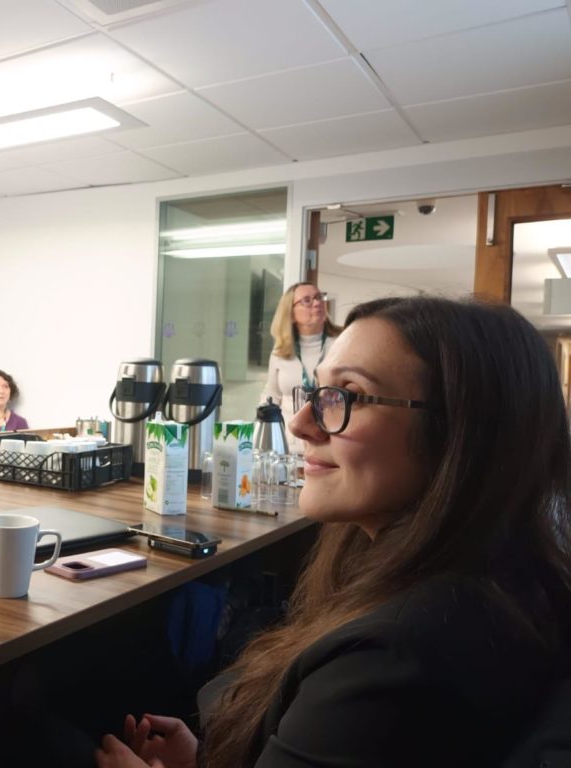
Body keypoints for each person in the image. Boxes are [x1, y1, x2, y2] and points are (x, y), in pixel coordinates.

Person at [97, 296, 571, 768]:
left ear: (460, 432)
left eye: (350, 394)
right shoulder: (500, 579)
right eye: (318, 393)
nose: (303, 424)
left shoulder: (394, 658)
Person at [260, 283, 341, 453]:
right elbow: (272, 394)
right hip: (289, 446)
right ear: (290, 314)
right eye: (307, 300)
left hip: (331, 443)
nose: (317, 303)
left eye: (319, 297)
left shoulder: (341, 344)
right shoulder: (280, 351)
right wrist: (262, 431)